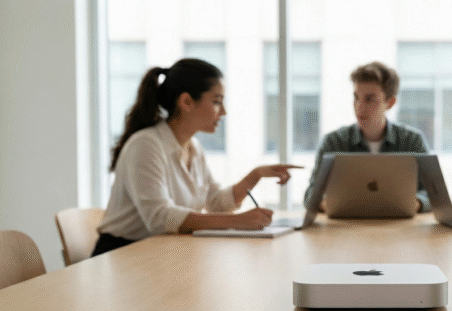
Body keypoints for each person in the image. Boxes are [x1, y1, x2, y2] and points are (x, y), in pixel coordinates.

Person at [92, 58, 301, 256]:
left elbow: (215, 202)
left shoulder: (194, 148)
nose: (224, 112)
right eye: (217, 101)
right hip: (123, 253)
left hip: (164, 251)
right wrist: (236, 221)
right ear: (186, 101)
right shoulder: (145, 145)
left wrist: (255, 175)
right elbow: (159, 218)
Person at [303, 61, 431, 213]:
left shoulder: (412, 141)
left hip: (399, 229)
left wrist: (415, 203)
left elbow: (433, 194)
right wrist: (327, 204)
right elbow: (311, 194)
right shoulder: (333, 142)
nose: (360, 106)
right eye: (356, 97)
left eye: (369, 99)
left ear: (390, 102)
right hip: (345, 230)